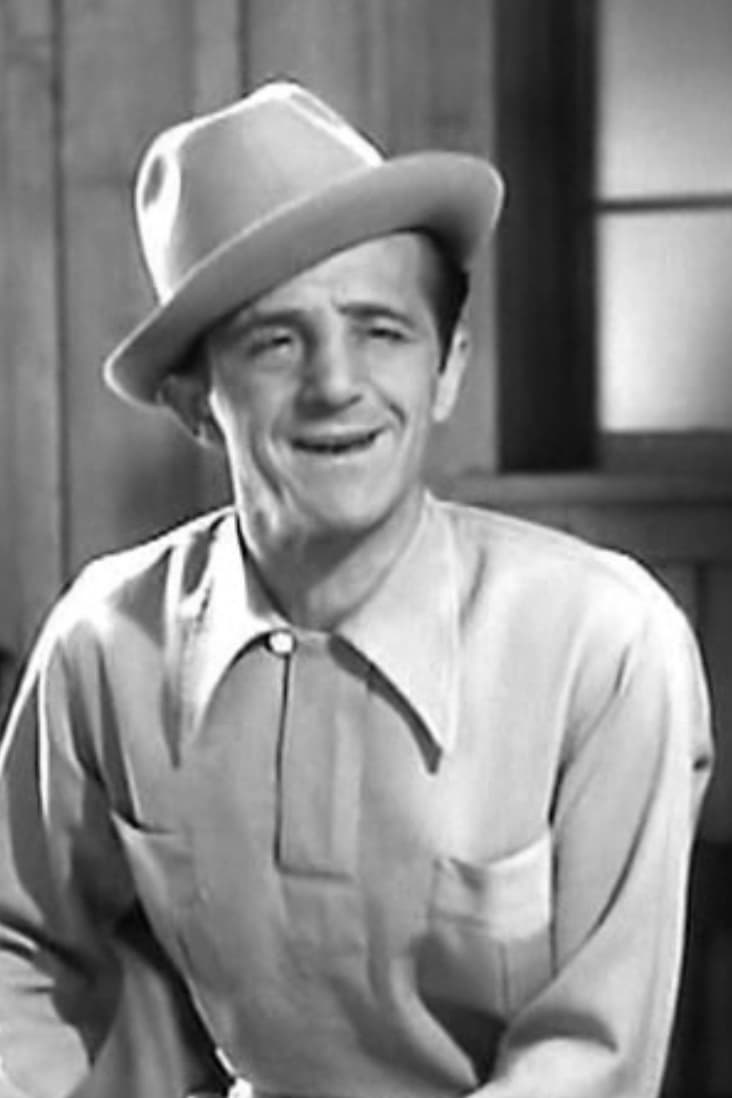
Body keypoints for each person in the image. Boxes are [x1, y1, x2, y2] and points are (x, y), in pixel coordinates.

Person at [0, 80, 714, 1098]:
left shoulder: (608, 644)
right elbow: (20, 947)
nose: (336, 383)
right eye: (276, 341)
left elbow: (589, 1061)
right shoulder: (106, 643)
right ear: (196, 401)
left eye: (381, 330)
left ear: (447, 369)